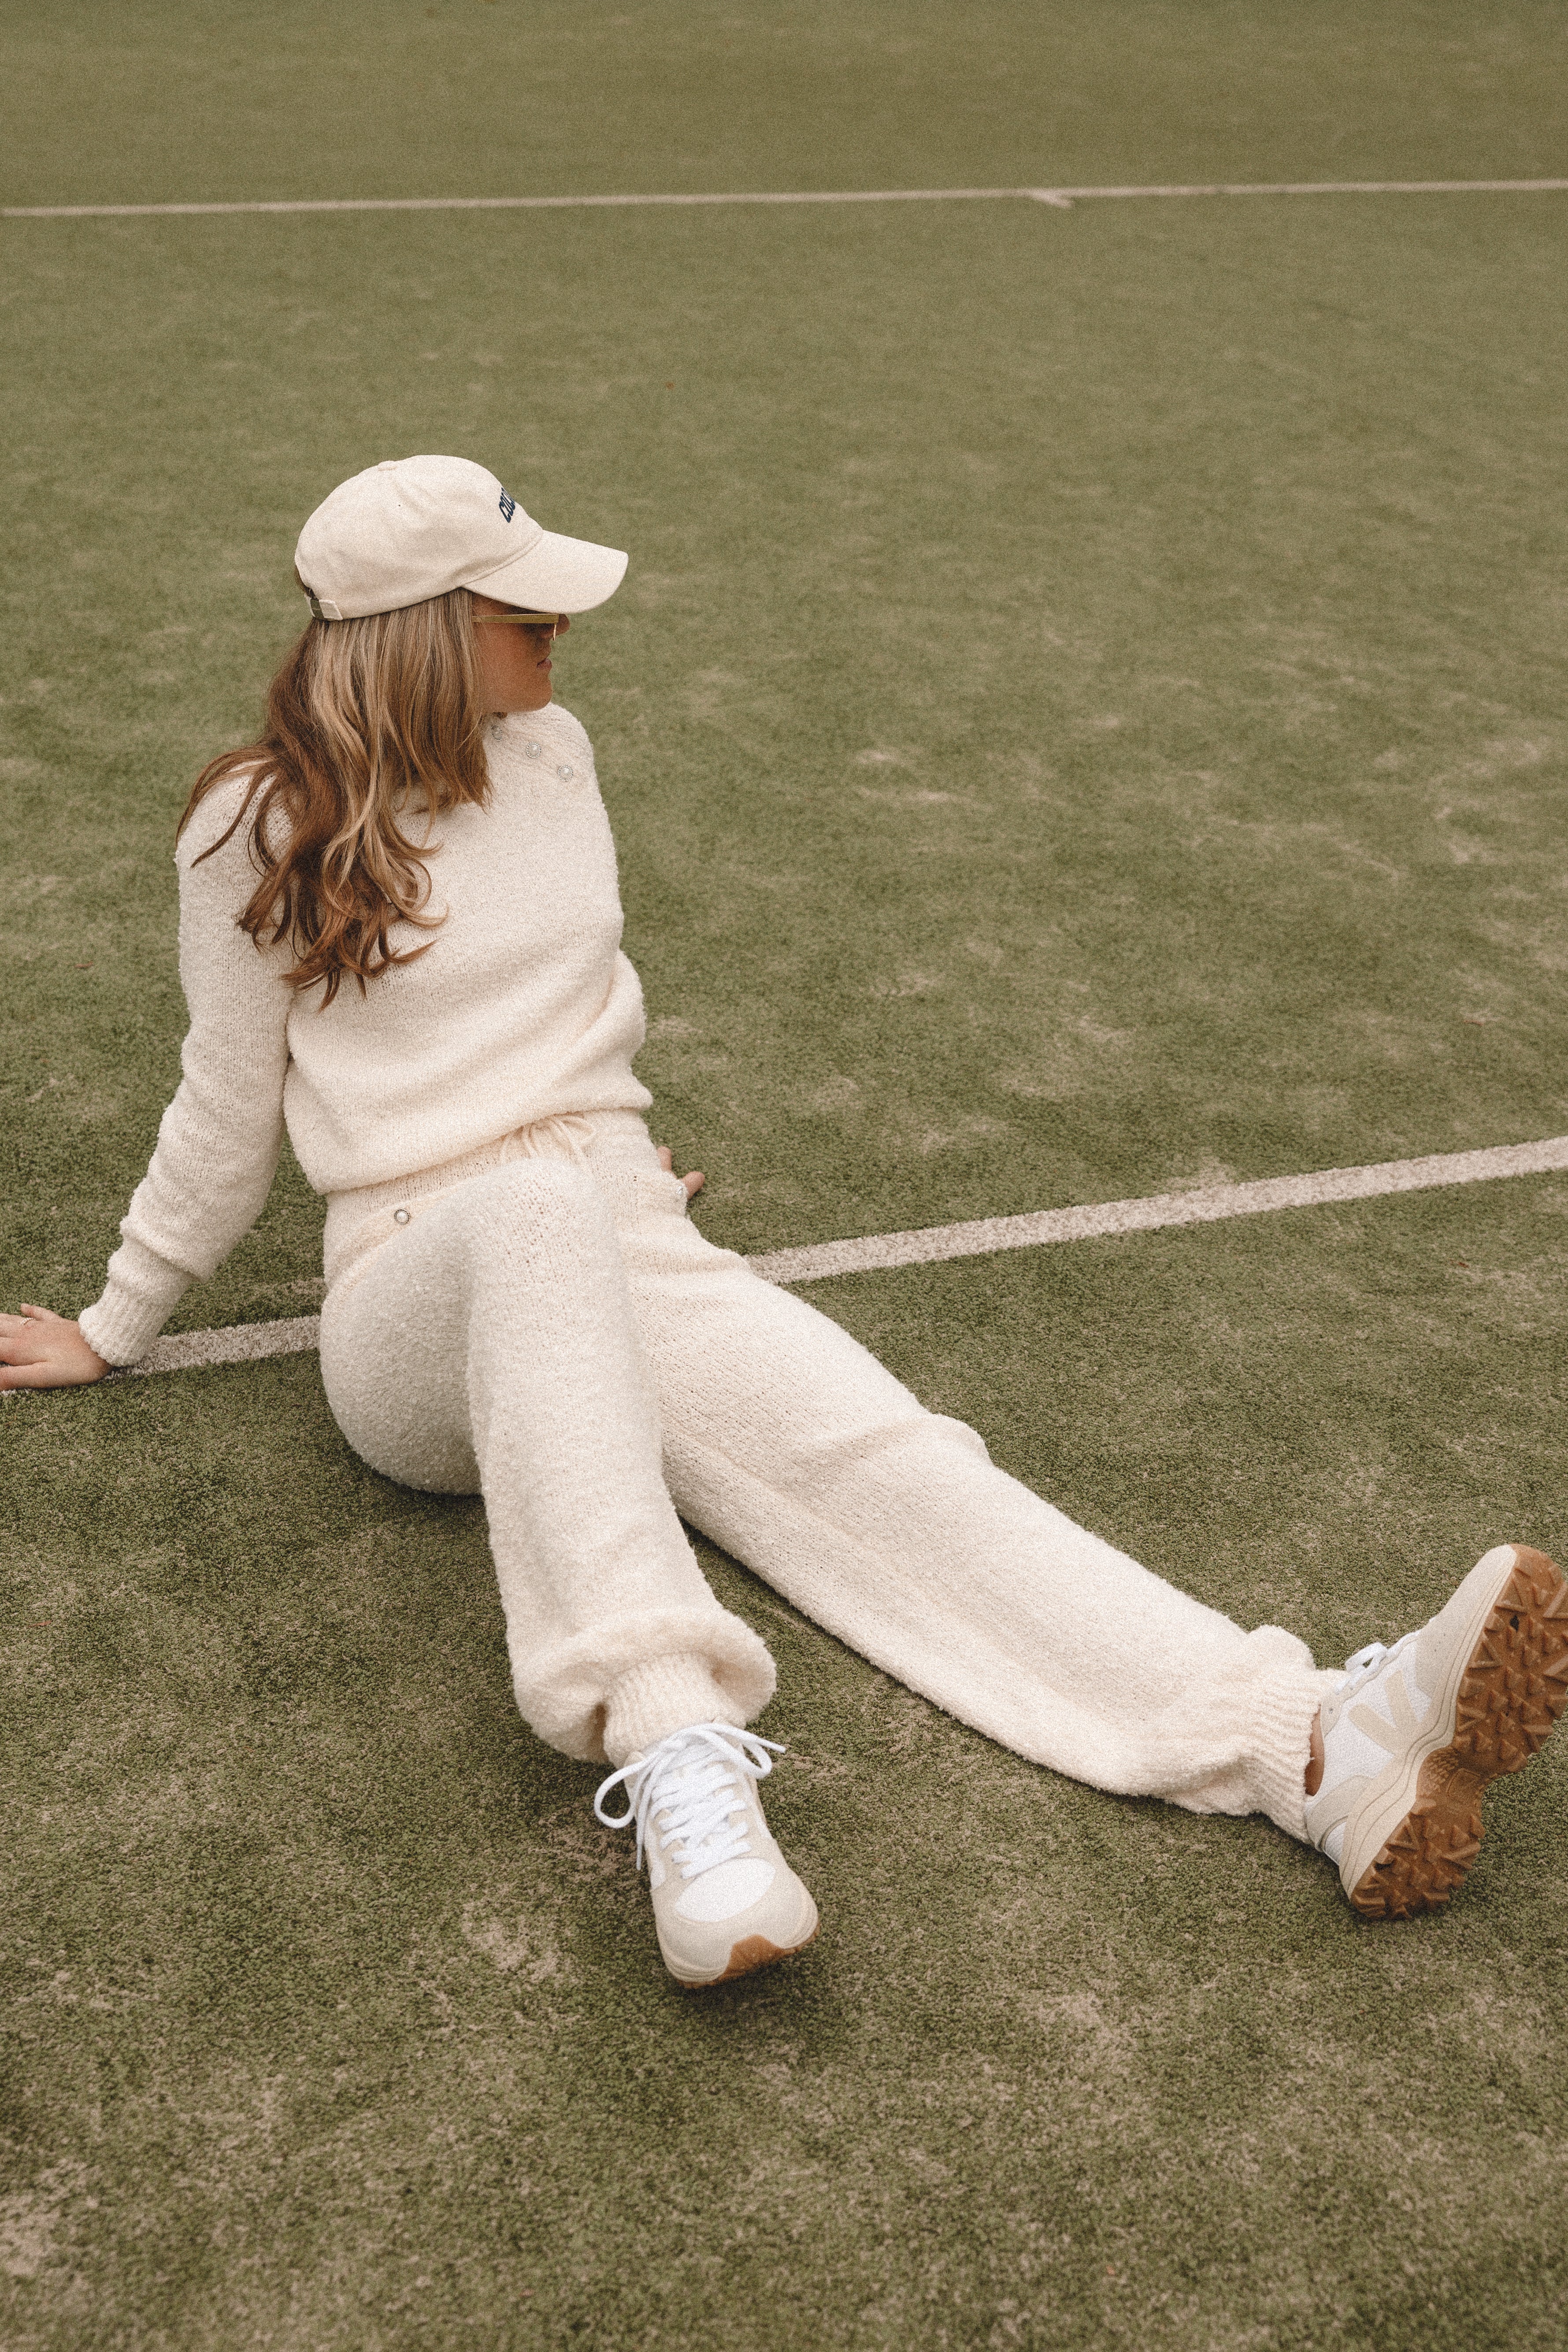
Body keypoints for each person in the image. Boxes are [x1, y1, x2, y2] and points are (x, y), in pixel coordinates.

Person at [5, 456, 1566, 1989]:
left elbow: (560, 1025)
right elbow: (223, 1106)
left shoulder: (554, 754)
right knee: (533, 1206)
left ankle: (1312, 1746)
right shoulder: (251, 825)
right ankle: (679, 1748)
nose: (564, 628)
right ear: (424, 632)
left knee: (888, 1455)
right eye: (525, 609)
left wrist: (608, 1168)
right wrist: (115, 1320)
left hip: (616, 1229)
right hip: (410, 1298)